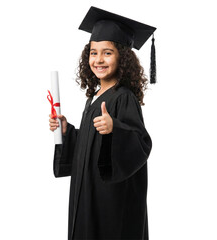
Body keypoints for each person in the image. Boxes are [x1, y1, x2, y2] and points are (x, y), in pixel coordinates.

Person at [49, 6, 156, 240]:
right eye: (93, 53)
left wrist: (115, 128)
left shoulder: (123, 97)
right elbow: (90, 145)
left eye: (107, 53)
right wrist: (68, 133)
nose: (98, 60)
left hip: (110, 201)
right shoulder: (93, 98)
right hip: (87, 193)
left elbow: (140, 143)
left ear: (123, 57)